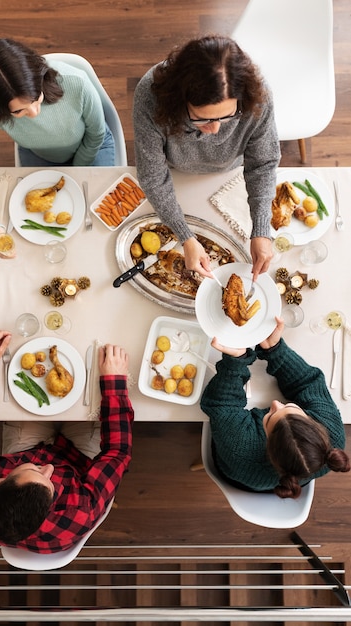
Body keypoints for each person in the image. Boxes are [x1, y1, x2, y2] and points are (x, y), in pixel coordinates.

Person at [0, 330, 133, 552]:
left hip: (25, 450)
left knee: (17, 403)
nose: (49, 468)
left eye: (35, 471)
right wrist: (114, 383)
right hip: (78, 461)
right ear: (50, 506)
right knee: (94, 399)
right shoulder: (79, 512)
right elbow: (117, 452)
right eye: (50, 485)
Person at [133, 34, 281, 281]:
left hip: (230, 171)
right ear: (180, 99)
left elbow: (262, 164)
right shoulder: (150, 96)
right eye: (202, 118)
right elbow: (153, 176)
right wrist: (185, 236)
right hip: (174, 174)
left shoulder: (258, 95)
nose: (215, 130)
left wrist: (261, 229)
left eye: (226, 117)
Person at [0, 38, 115, 258]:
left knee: (99, 229)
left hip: (91, 146)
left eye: (36, 98)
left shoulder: (75, 82)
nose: (35, 113)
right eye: (19, 112)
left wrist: (74, 172)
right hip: (39, 154)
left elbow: (96, 133)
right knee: (33, 239)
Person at [200, 317, 350, 498]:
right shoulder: (332, 437)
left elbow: (221, 404)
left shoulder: (239, 448)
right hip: (283, 478)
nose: (275, 403)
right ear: (312, 420)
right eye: (291, 408)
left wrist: (235, 361)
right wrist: (275, 349)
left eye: (270, 417)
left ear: (267, 442)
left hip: (234, 471)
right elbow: (307, 383)